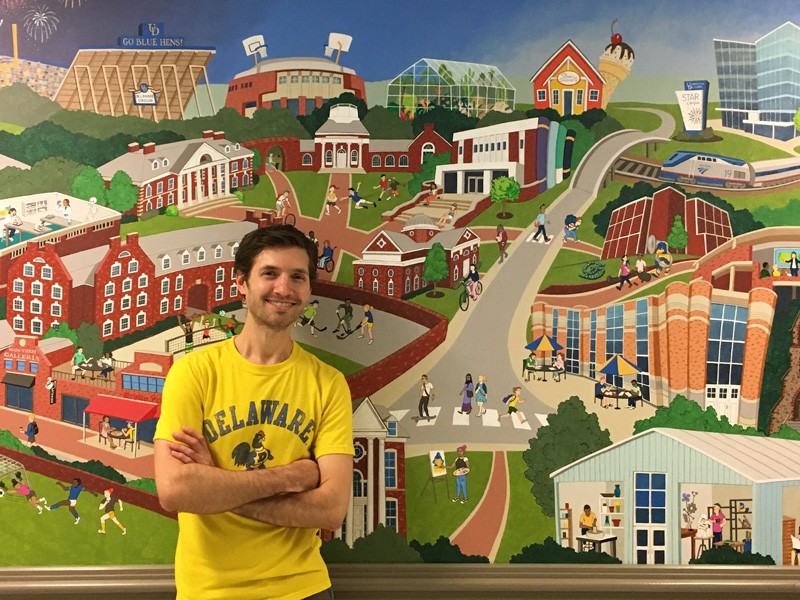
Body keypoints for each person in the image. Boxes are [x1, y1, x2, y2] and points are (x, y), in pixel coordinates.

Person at [153, 224, 353, 600]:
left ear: (309, 289)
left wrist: (215, 483)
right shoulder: (193, 372)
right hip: (209, 591)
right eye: (270, 273)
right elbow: (175, 490)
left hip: (303, 588)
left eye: (298, 277)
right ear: (242, 283)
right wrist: (292, 476)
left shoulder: (329, 383)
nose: (284, 288)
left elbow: (330, 510)